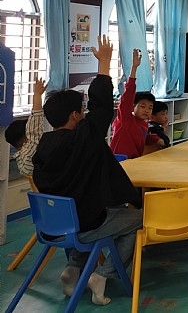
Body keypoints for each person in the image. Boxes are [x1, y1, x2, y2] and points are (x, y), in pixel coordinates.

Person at [33, 36, 142, 306]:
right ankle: (103, 274)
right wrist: (104, 63)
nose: (84, 114)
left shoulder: (43, 145)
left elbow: (97, 109)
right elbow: (101, 107)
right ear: (74, 116)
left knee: (90, 217)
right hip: (85, 223)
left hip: (53, 227)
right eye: (81, 111)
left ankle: (72, 269)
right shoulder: (83, 138)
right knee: (138, 219)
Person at [109, 49, 158, 158]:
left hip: (134, 160)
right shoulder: (125, 118)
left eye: (150, 108)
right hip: (118, 160)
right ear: (133, 107)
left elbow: (145, 137)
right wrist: (134, 68)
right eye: (142, 106)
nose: (146, 110)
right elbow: (128, 95)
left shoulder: (144, 124)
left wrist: (157, 139)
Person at [4, 77, 47, 176]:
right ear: (26, 138)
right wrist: (37, 95)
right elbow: (36, 120)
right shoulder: (30, 152)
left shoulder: (21, 160)